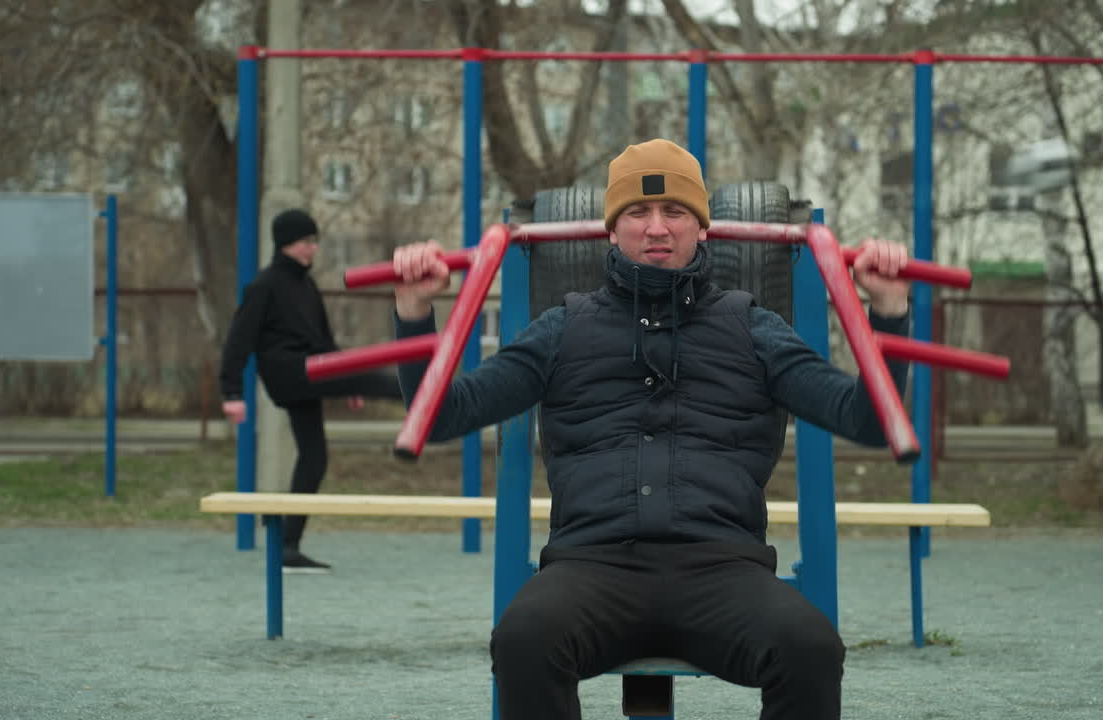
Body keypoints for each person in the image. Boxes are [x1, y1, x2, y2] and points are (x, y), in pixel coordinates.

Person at [391, 138, 911, 719]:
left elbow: (868, 419)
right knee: (524, 637)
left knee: (809, 646)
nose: (657, 228)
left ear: (703, 228)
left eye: (676, 212)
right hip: (593, 566)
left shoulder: (754, 328)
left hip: (722, 568)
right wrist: (414, 314)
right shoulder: (563, 328)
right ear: (612, 230)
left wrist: (888, 311)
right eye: (638, 212)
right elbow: (439, 415)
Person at [219, 208, 403, 573]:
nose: (312, 249)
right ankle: (432, 394)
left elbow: (323, 338)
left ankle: (288, 547)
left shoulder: (306, 285)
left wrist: (345, 378)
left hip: (313, 370)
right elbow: (238, 341)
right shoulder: (264, 285)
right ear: (286, 243)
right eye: (306, 242)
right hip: (289, 374)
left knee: (314, 457)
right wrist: (232, 393)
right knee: (370, 373)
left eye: (314, 242)